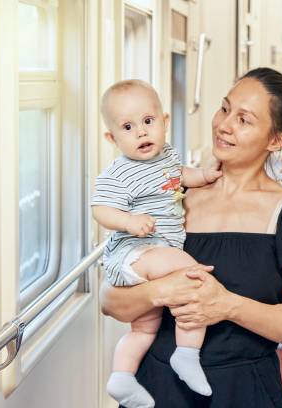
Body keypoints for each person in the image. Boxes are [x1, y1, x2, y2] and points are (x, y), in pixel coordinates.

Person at [100, 67, 282, 408]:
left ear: (276, 140)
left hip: (244, 392)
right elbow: (111, 300)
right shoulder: (169, 195)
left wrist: (226, 305)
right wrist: (158, 292)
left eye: (244, 120)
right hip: (157, 390)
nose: (224, 125)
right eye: (225, 109)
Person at [91, 79, 223, 408]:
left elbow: (178, 176)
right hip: (135, 252)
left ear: (164, 121)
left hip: (153, 253)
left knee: (144, 328)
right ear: (112, 138)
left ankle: (121, 377)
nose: (141, 133)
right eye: (127, 127)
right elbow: (100, 209)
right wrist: (129, 222)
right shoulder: (119, 173)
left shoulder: (165, 158)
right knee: (193, 275)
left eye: (148, 122)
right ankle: (187, 353)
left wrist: (203, 177)